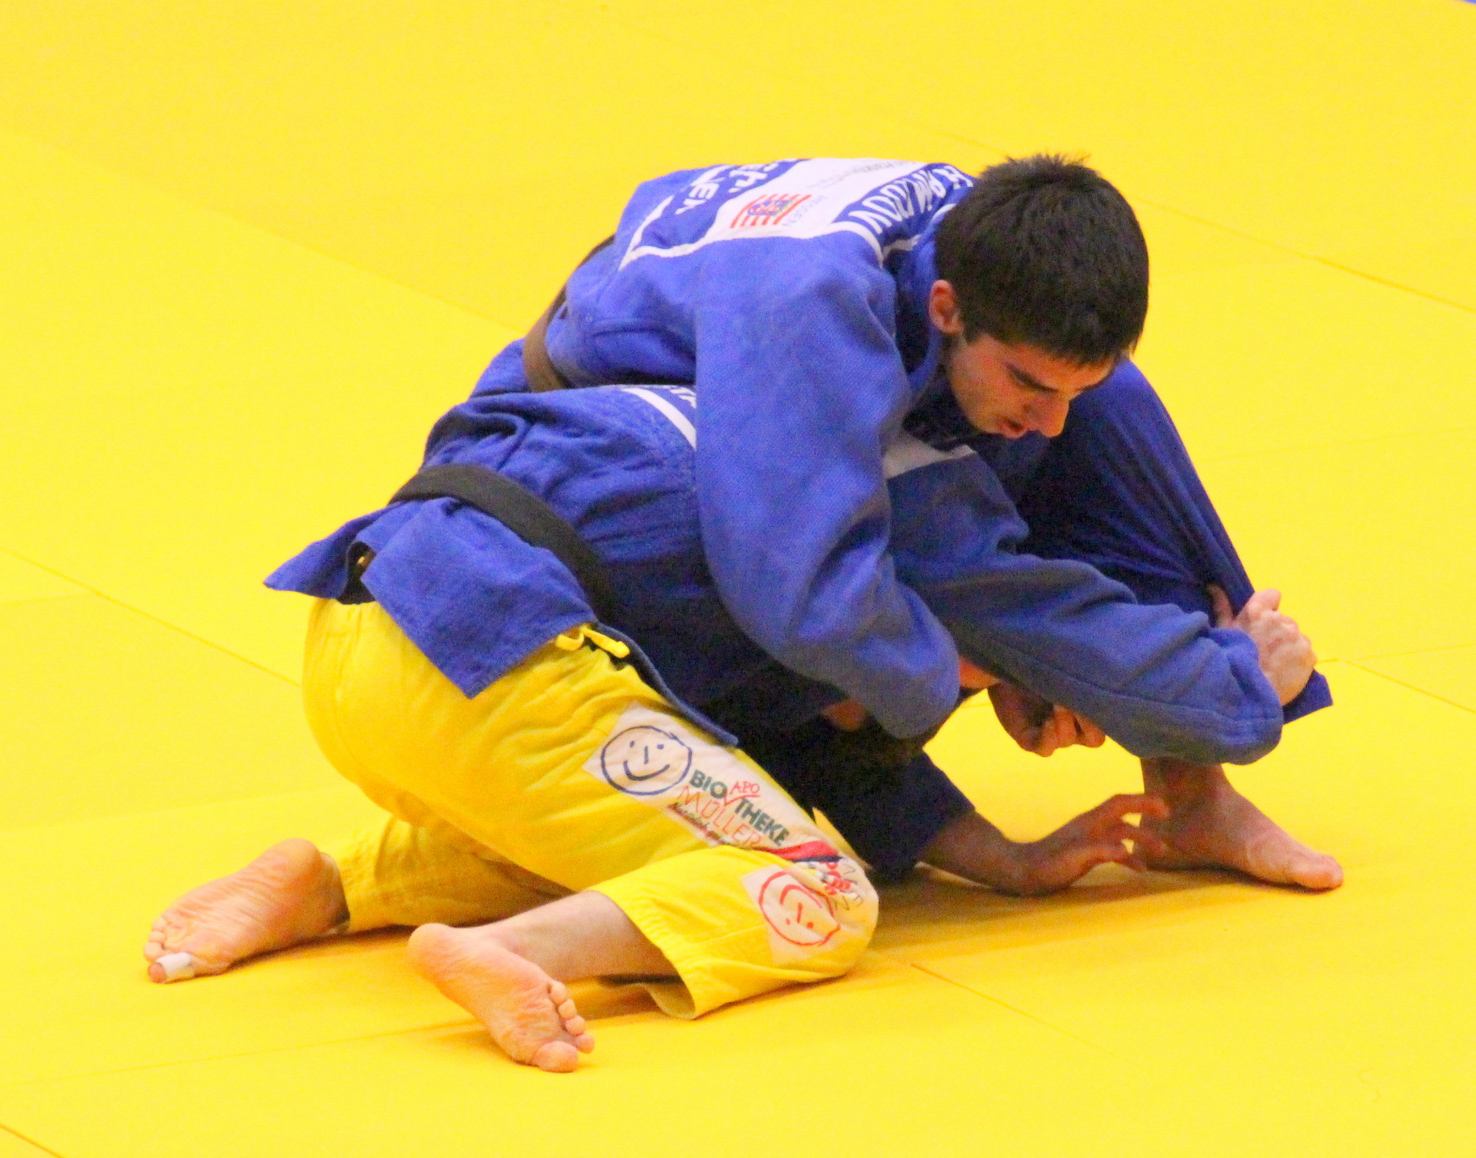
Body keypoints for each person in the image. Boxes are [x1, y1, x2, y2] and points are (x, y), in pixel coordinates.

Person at [144, 156, 1336, 1072]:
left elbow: (831, 694)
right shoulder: (849, 427)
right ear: (943, 307)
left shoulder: (959, 245)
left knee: (702, 784)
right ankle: (509, 952)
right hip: (501, 650)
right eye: (1027, 385)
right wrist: (1228, 689)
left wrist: (1002, 849)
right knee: (815, 890)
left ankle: (337, 884)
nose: (1047, 422)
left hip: (378, 617)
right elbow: (839, 625)